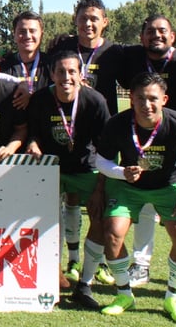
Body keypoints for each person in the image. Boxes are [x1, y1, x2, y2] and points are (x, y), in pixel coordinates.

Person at [94, 72, 176, 324]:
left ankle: (172, 297)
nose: (146, 105)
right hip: (128, 186)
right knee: (112, 233)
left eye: (153, 99)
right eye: (140, 98)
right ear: (131, 99)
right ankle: (124, 295)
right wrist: (121, 172)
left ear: (164, 99)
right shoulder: (117, 124)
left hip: (168, 186)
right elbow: (101, 160)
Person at [114, 15, 176, 288]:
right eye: (150, 31)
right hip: (141, 138)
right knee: (145, 203)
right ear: (141, 37)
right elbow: (101, 50)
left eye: (162, 31)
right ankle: (141, 263)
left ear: (173, 36)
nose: (156, 36)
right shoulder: (131, 57)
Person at [24, 51, 111, 308]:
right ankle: (53, 273)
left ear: (80, 74)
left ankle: (84, 284)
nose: (66, 77)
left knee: (100, 218)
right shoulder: (40, 100)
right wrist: (33, 144)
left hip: (87, 169)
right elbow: (32, 135)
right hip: (53, 169)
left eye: (71, 71)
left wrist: (100, 188)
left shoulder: (95, 101)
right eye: (60, 72)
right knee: (45, 220)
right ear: (51, 75)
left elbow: (107, 149)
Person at [0, 11, 50, 110]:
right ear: (14, 35)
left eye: (32, 31)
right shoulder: (4, 64)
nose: (27, 36)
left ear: (41, 35)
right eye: (22, 31)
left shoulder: (51, 64)